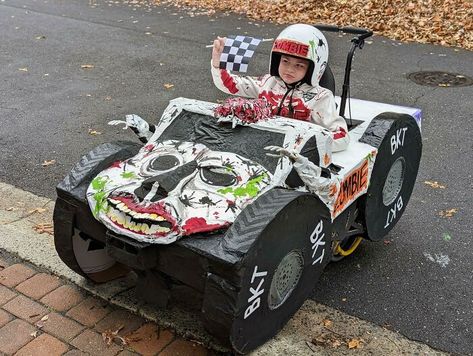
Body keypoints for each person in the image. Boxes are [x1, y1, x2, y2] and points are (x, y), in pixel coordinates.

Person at [211, 23, 349, 152]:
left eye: (299, 65)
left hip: (296, 155)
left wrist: (307, 144)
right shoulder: (267, 83)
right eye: (285, 61)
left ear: (313, 68)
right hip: (262, 146)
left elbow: (342, 137)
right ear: (277, 60)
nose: (289, 69)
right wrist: (219, 64)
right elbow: (230, 85)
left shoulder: (321, 97)